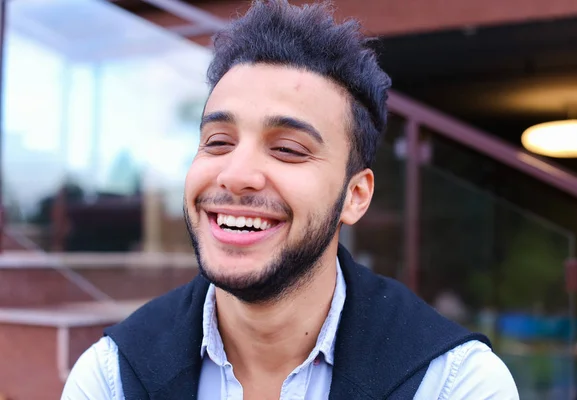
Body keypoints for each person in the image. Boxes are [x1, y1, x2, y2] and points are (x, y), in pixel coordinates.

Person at [62, 1, 519, 399]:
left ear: (355, 197)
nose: (236, 175)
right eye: (218, 141)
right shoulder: (111, 378)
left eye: (287, 149)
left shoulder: (452, 384)